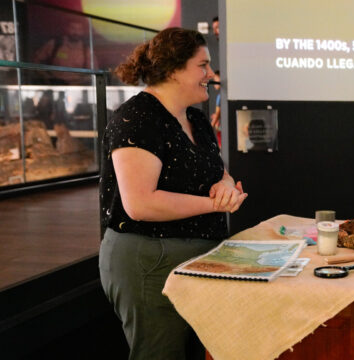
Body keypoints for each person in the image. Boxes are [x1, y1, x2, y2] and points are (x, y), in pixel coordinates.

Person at [99, 27, 247, 360]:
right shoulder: (137, 118)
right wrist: (213, 204)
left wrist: (224, 184)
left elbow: (215, 169)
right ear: (173, 70)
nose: (211, 74)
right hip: (149, 263)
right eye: (202, 65)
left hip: (193, 260)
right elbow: (140, 203)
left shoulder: (195, 116)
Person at [32, 20, 98, 84]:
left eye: (79, 29)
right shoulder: (55, 44)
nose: (76, 32)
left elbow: (94, 73)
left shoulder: (87, 51)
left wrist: (79, 82)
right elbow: (35, 61)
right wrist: (46, 77)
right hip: (54, 86)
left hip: (76, 88)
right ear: (67, 28)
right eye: (73, 28)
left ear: (83, 32)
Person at [210, 70, 222, 145]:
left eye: (215, 79)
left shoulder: (220, 97)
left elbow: (218, 113)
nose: (214, 83)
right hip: (220, 127)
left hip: (221, 128)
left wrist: (212, 125)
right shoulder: (220, 96)